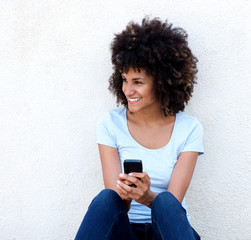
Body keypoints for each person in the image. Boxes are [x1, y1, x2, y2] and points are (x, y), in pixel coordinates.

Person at [75, 17, 204, 240]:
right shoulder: (110, 123)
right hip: (125, 232)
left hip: (167, 231)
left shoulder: (189, 128)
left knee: (165, 201)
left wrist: (148, 197)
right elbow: (117, 205)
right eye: (124, 80)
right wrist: (128, 193)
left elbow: (172, 208)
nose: (128, 90)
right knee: (107, 198)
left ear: (162, 82)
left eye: (138, 82)